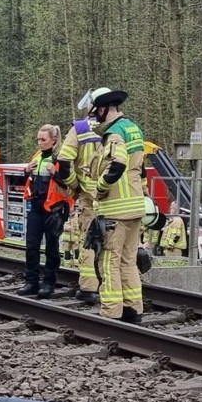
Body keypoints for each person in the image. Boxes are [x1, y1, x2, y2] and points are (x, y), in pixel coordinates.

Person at [84, 88, 147, 322]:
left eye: (95, 113)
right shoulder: (133, 128)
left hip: (116, 210)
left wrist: (99, 188)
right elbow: (138, 169)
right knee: (128, 260)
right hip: (135, 206)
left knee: (109, 262)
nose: (95, 118)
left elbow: (117, 165)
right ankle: (133, 310)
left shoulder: (114, 133)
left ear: (102, 109)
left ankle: (111, 313)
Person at [56, 91, 104, 305]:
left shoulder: (81, 129)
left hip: (90, 196)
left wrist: (74, 185)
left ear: (92, 106)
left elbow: (64, 161)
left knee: (90, 240)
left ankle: (89, 287)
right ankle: (115, 287)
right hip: (120, 196)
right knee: (117, 243)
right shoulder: (124, 127)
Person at [19, 124, 68, 298]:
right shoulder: (38, 156)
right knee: (31, 246)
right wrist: (26, 171)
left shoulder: (60, 159)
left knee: (52, 247)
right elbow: (30, 181)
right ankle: (31, 281)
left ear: (53, 140)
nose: (39, 143)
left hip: (53, 210)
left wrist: (55, 173)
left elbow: (69, 183)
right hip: (36, 207)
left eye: (43, 139)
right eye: (38, 139)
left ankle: (49, 283)